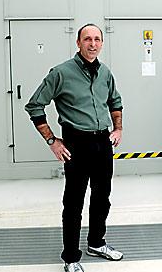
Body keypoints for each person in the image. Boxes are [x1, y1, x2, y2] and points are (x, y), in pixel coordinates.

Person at [25, 24, 124, 272]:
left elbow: (115, 101)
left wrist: (118, 128)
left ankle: (96, 243)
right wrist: (52, 140)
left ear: (102, 43)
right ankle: (70, 257)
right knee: (74, 203)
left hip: (103, 143)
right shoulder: (60, 73)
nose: (93, 44)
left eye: (97, 39)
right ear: (78, 43)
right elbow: (35, 106)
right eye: (87, 39)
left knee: (102, 198)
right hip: (76, 143)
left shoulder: (105, 73)